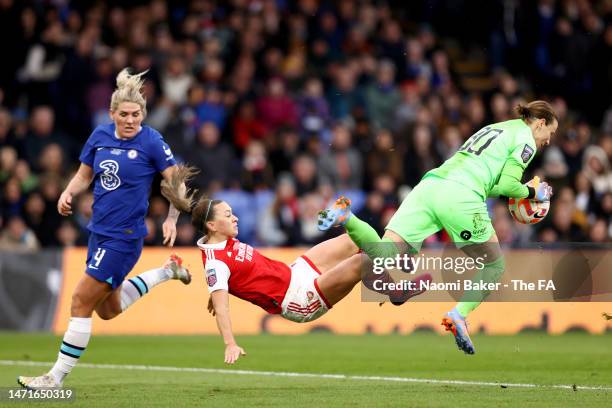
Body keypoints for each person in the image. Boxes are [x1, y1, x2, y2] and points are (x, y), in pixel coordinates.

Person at [318, 101, 558, 355]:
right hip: (461, 195)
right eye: (550, 133)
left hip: (431, 185)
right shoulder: (526, 139)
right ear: (540, 123)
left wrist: (520, 192)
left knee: (384, 253)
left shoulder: (498, 127)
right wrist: (535, 191)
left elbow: (494, 185)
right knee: (494, 265)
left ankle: (346, 216)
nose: (548, 141)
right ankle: (459, 314)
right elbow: (510, 185)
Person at [17, 69, 197, 389]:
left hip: (124, 238)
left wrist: (172, 217)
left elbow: (175, 180)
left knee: (79, 301)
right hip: (98, 232)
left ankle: (54, 378)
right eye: (124, 114)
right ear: (112, 113)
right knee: (108, 310)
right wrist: (68, 192)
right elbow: (85, 174)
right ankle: (166, 273)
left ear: (143, 114)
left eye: (136, 114)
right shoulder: (99, 136)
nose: (130, 120)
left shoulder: (151, 140)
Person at [163, 195, 431, 364]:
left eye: (232, 211)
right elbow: (222, 308)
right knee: (364, 261)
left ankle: (356, 234)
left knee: (353, 241)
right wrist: (230, 343)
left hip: (295, 272)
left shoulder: (220, 247)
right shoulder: (216, 264)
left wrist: (215, 292)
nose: (234, 217)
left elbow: (225, 281)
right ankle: (391, 285)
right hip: (298, 300)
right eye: (227, 215)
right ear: (211, 226)